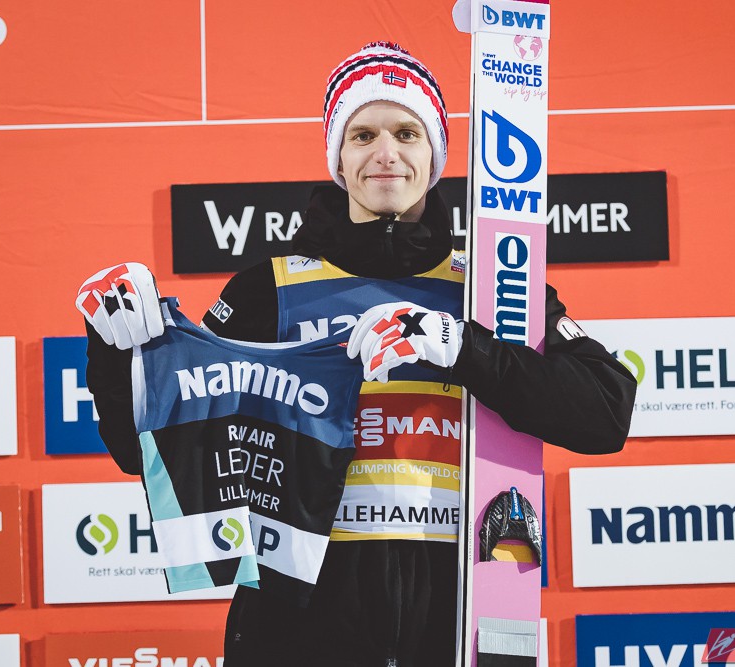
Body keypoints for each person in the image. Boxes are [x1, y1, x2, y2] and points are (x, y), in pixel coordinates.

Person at [77, 41, 636, 667]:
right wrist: (113, 346)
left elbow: (605, 414)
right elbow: (145, 449)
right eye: (362, 135)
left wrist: (462, 345)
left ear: (436, 155)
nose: (386, 153)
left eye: (407, 133)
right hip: (301, 625)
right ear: (338, 159)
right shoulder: (270, 287)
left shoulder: (494, 286)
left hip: (457, 611)